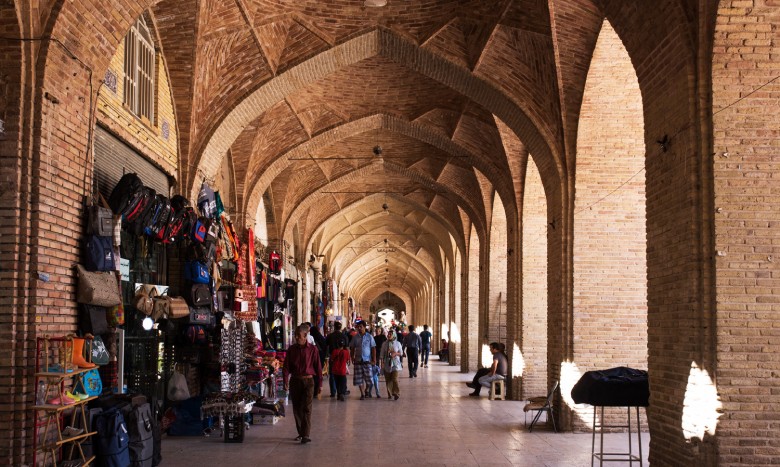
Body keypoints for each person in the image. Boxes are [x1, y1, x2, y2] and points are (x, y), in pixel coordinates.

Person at [282, 325, 322, 444]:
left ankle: (306, 434)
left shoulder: (313, 349)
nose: (296, 338)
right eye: (295, 335)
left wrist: (320, 384)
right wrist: (285, 381)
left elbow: (318, 367)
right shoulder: (291, 349)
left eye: (298, 336)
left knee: (307, 408)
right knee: (297, 408)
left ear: (305, 336)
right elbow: (286, 367)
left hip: (308, 381)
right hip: (295, 381)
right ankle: (300, 432)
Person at [348, 320, 376, 400]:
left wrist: (374, 359)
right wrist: (352, 357)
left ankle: (366, 389)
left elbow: (373, 348)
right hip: (358, 360)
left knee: (369, 379)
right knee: (359, 378)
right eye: (358, 327)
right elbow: (352, 348)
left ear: (364, 327)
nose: (359, 328)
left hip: (367, 360)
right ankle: (362, 394)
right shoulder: (355, 337)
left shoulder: (369, 337)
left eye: (361, 327)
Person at [325, 321, 347, 398]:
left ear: (334, 327)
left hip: (333, 357)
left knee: (332, 374)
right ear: (340, 327)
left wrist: (327, 356)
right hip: (342, 356)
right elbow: (347, 347)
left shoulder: (330, 336)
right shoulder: (343, 336)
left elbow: (326, 346)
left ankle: (333, 392)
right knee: (342, 375)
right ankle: (342, 391)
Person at [380, 330, 403, 400]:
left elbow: (401, 353)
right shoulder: (384, 344)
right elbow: (382, 355)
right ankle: (390, 393)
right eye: (388, 334)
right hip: (387, 363)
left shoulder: (398, 343)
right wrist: (382, 364)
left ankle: (396, 393)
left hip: (395, 363)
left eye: (390, 334)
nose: (389, 335)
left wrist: (395, 353)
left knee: (394, 379)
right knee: (388, 380)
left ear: (394, 335)